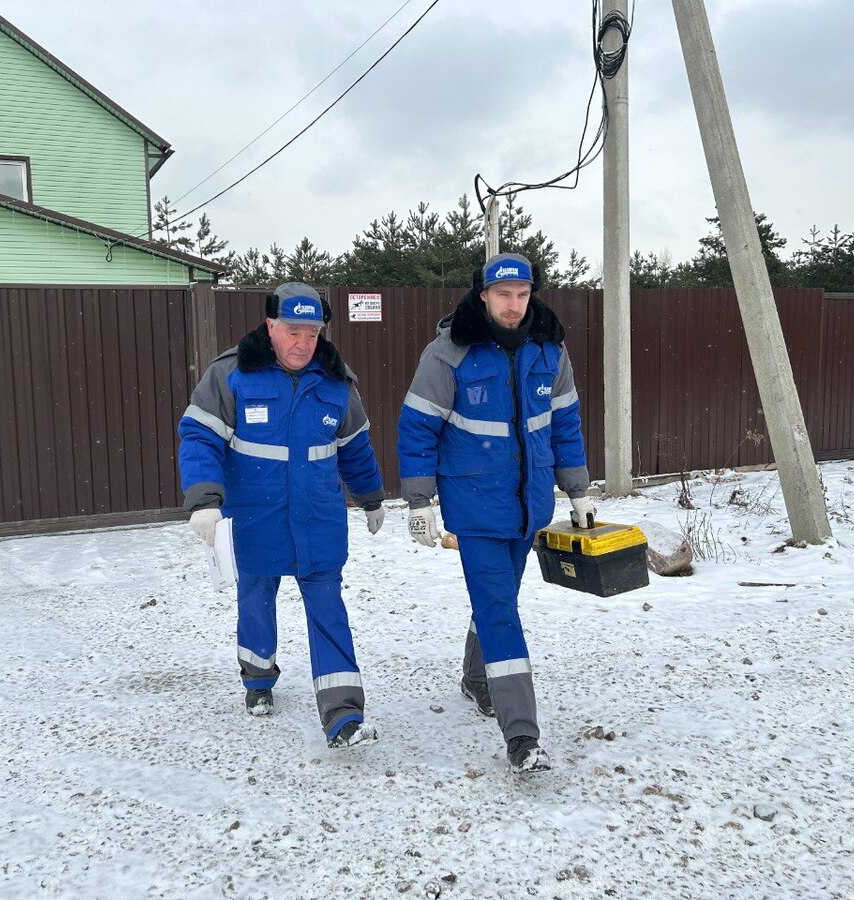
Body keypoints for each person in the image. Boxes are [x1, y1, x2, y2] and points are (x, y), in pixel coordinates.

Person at [396, 252, 595, 774]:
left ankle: (476, 678)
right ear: (483, 295)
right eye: (503, 294)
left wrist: (577, 490)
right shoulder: (449, 354)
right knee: (502, 614)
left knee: (497, 600)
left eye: (522, 294)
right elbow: (418, 428)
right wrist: (418, 501)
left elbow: (565, 426)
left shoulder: (550, 349)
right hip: (476, 507)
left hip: (529, 508)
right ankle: (523, 736)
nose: (513, 304)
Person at [179, 282, 387, 749]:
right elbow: (198, 438)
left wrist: (371, 497)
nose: (303, 343)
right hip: (256, 522)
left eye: (312, 333)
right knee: (255, 603)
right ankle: (257, 679)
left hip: (318, 522)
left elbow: (355, 448)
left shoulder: (336, 383)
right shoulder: (231, 375)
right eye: (293, 330)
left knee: (329, 611)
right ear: (270, 326)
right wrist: (203, 500)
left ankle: (343, 716)